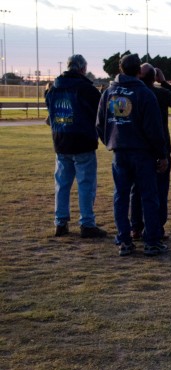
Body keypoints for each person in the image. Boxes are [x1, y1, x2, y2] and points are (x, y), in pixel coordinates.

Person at [96, 53, 169, 257]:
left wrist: (111, 141)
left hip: (119, 153)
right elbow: (154, 129)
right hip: (142, 154)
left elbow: (100, 124)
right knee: (149, 197)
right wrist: (161, 154)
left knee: (121, 196)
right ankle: (152, 241)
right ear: (139, 71)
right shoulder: (145, 94)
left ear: (120, 69)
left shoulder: (109, 92)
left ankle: (124, 241)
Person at [45, 54, 107, 238]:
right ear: (82, 69)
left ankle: (60, 222)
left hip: (61, 141)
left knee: (62, 185)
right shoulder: (86, 89)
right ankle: (87, 224)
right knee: (86, 185)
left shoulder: (53, 88)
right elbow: (99, 114)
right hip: (82, 141)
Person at [130, 63, 171, 241]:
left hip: (137, 148)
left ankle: (136, 227)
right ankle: (156, 227)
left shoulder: (132, 94)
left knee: (136, 190)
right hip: (160, 149)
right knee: (160, 190)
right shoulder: (160, 93)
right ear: (154, 78)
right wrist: (164, 82)